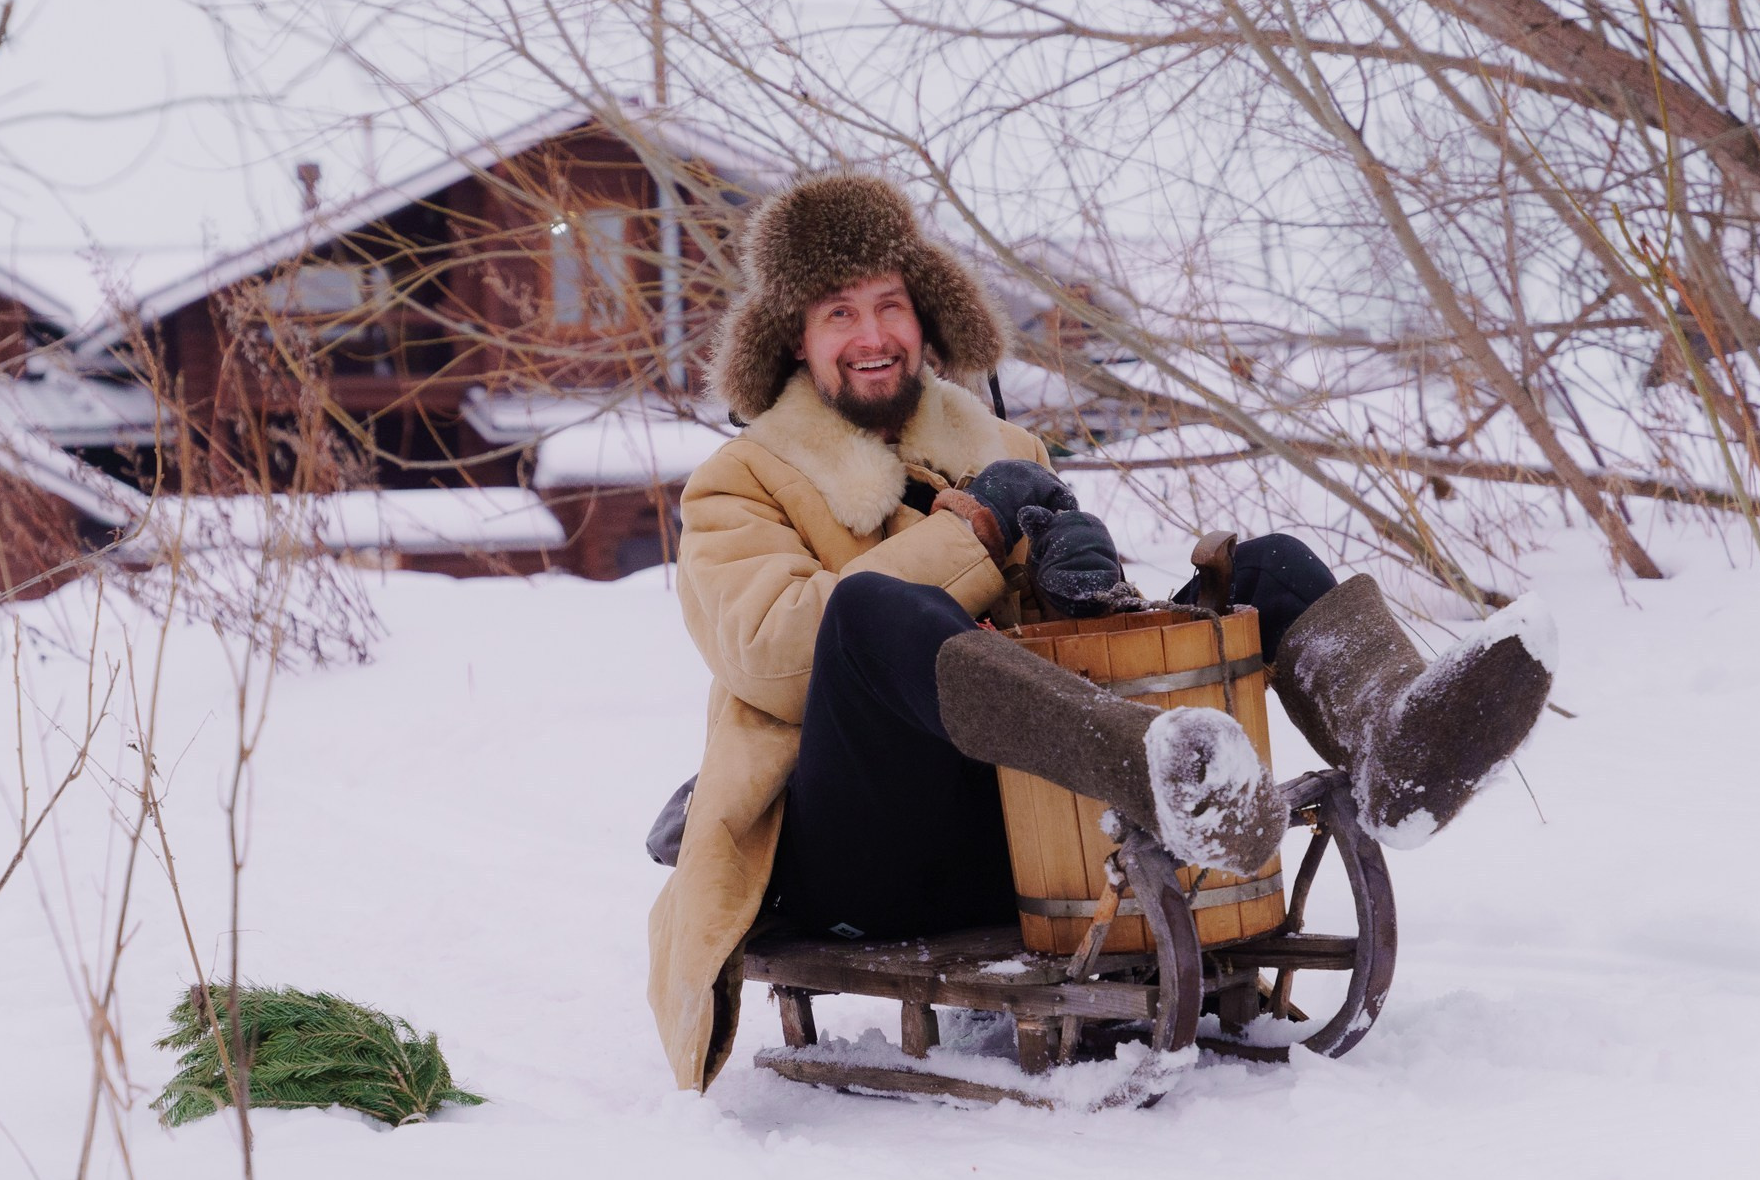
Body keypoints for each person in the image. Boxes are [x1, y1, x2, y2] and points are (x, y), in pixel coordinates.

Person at [646, 174, 1555, 1091]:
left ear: (926, 317)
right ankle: (1153, 771)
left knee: (1263, 568)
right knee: (869, 611)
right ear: (795, 339)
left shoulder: (1007, 453)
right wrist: (972, 535)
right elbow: (772, 651)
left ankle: (1399, 750)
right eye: (839, 313)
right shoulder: (738, 481)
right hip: (862, 861)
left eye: (890, 305)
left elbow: (1066, 661)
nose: (872, 334)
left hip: (1032, 839)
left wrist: (1084, 594)